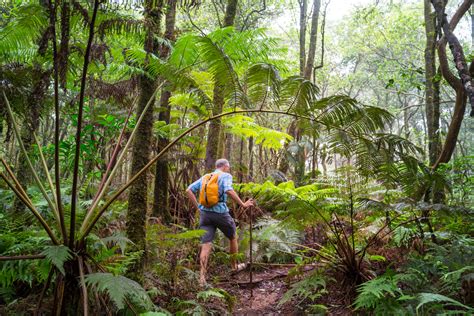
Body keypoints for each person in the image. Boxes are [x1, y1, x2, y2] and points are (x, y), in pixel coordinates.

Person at [186, 158, 254, 286]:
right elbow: (228, 190)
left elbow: (188, 190)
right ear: (225, 166)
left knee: (206, 244)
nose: (229, 169)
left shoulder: (206, 176)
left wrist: (198, 208)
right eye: (228, 167)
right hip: (220, 213)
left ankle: (202, 277)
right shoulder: (225, 176)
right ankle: (234, 266)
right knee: (233, 236)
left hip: (205, 215)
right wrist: (243, 204)